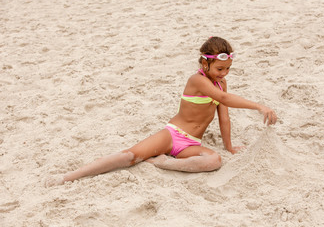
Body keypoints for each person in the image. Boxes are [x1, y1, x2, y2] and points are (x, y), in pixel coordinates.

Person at [45, 36, 277, 187]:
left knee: (214, 160)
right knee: (128, 157)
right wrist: (259, 106)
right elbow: (224, 99)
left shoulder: (221, 83)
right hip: (172, 134)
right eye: (219, 68)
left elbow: (224, 117)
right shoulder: (196, 80)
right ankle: (67, 177)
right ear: (204, 64)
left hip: (191, 144)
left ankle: (161, 163)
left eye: (227, 69)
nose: (224, 73)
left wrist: (228, 147)